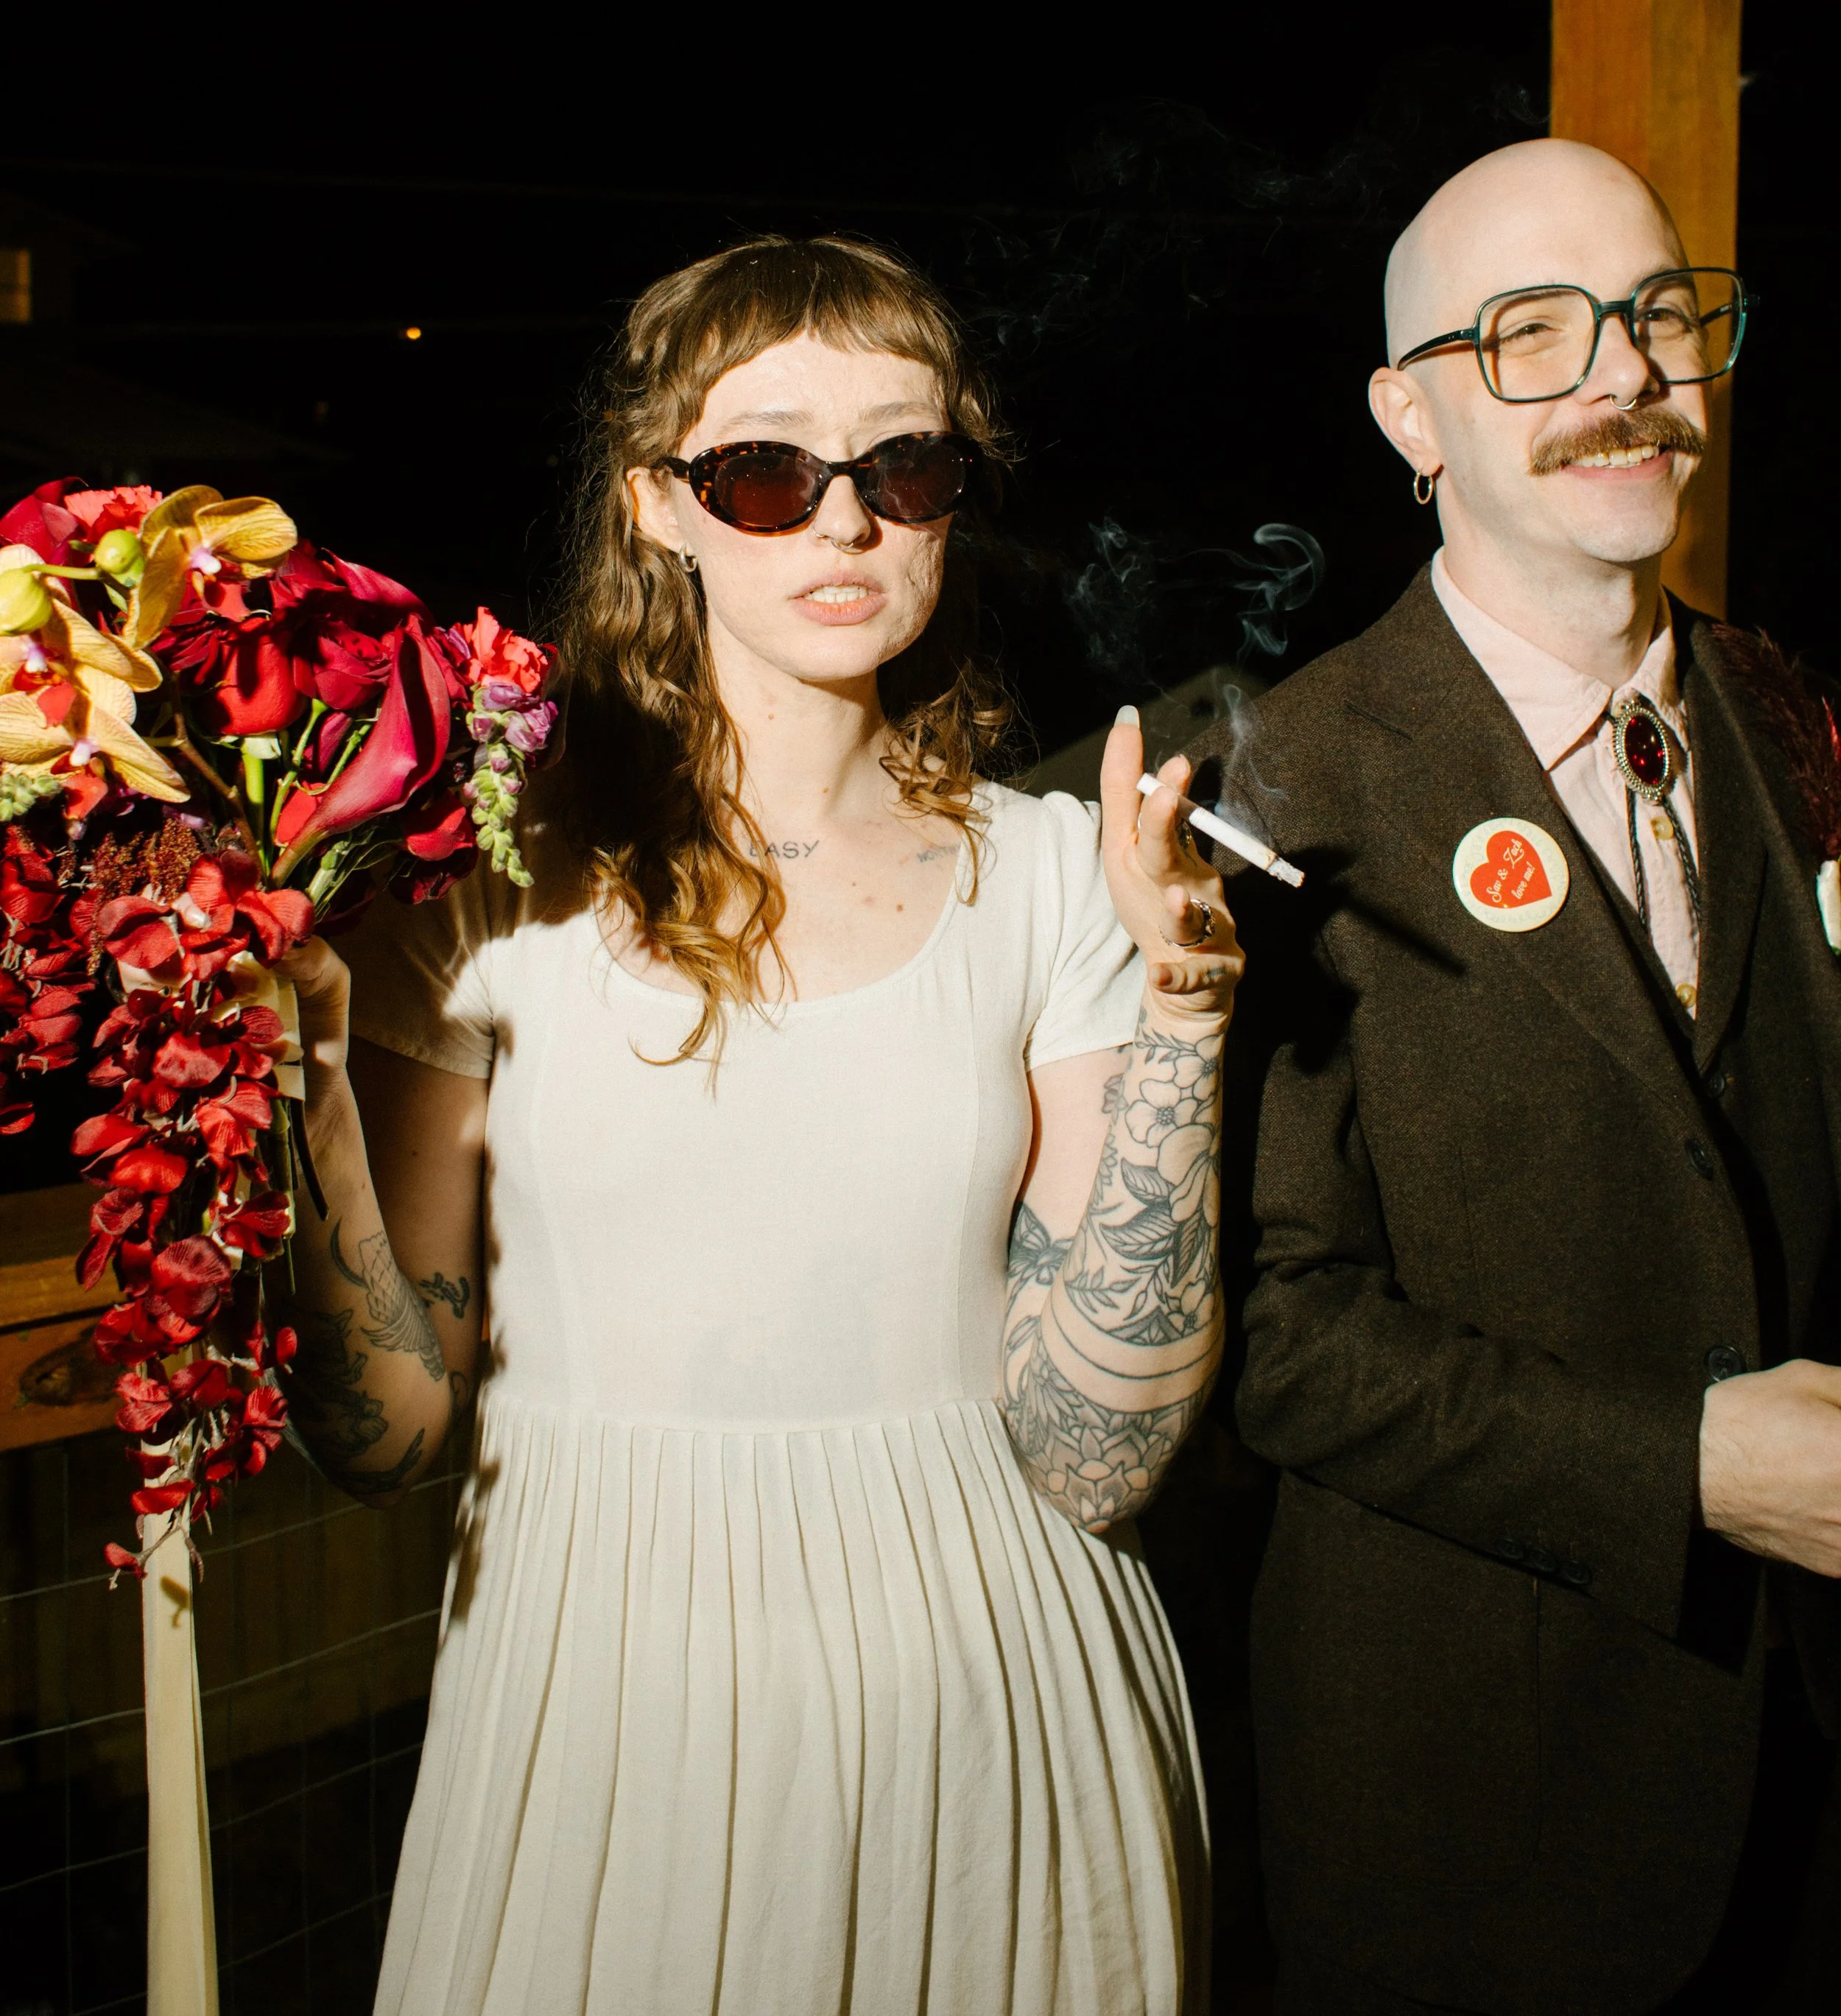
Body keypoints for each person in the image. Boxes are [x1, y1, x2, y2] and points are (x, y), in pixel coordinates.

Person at [275, 233, 1240, 2016]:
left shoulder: (1053, 876)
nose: (843, 523)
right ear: (661, 506)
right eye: (768, 472)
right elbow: (388, 1427)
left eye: (906, 466)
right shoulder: (482, 891)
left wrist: (1180, 1009)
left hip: (999, 1699)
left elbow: (1099, 1457)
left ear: (955, 500)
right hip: (603, 1702)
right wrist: (303, 1086)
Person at [1189, 140, 1841, 2015]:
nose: (1622, 379)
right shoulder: (1287, 798)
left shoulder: (1788, 714)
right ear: (1410, 415)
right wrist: (1690, 1466)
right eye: (1532, 338)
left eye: (1654, 317)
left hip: (1801, 1802)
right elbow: (1279, 1337)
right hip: (1484, 1821)